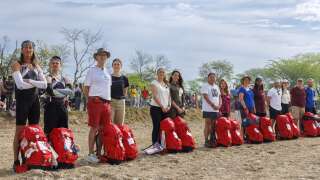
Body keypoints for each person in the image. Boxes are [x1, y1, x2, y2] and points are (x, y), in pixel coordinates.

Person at [11, 40, 47, 171]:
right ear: (21, 50)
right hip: (22, 101)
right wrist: (36, 83)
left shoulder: (36, 66)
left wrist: (30, 81)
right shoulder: (17, 64)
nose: (28, 50)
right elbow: (20, 85)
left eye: (30, 47)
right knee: (19, 132)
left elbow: (44, 85)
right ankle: (16, 160)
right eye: (25, 47)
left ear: (33, 50)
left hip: (34, 101)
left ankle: (31, 158)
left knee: (34, 132)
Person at [83, 48, 112, 163]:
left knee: (103, 129)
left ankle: (98, 153)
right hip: (95, 101)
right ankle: (90, 153)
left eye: (104, 55)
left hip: (106, 103)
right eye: (100, 55)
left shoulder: (107, 71)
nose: (102, 57)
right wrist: (90, 100)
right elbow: (86, 88)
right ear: (96, 57)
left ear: (106, 57)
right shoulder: (92, 70)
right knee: (94, 128)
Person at [43, 56, 73, 135]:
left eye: (57, 63)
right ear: (50, 65)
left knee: (63, 133)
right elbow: (50, 92)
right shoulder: (47, 77)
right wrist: (63, 92)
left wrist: (55, 92)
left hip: (62, 108)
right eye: (53, 63)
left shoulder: (65, 79)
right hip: (50, 107)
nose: (55, 65)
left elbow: (69, 92)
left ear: (60, 65)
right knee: (49, 133)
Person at [149, 68, 171, 146]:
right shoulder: (154, 82)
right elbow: (155, 96)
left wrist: (168, 106)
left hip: (166, 109)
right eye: (160, 72)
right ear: (157, 73)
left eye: (163, 72)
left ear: (165, 74)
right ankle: (155, 144)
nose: (162, 73)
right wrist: (162, 106)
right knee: (157, 127)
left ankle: (163, 144)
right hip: (156, 108)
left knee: (165, 127)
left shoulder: (166, 84)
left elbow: (169, 97)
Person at [201, 73, 221, 147]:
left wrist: (219, 105)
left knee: (214, 125)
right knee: (208, 124)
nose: (212, 78)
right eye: (211, 77)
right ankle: (206, 140)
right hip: (208, 109)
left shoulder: (216, 86)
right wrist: (213, 105)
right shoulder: (205, 86)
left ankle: (212, 140)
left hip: (216, 109)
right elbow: (206, 97)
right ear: (208, 78)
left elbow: (219, 97)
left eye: (214, 77)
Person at [110, 58, 129, 125]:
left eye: (118, 64)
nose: (116, 66)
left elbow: (125, 91)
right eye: (115, 64)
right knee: (110, 123)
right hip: (111, 102)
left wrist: (123, 98)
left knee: (120, 124)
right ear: (112, 66)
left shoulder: (125, 78)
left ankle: (119, 135)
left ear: (121, 66)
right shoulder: (108, 77)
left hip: (121, 102)